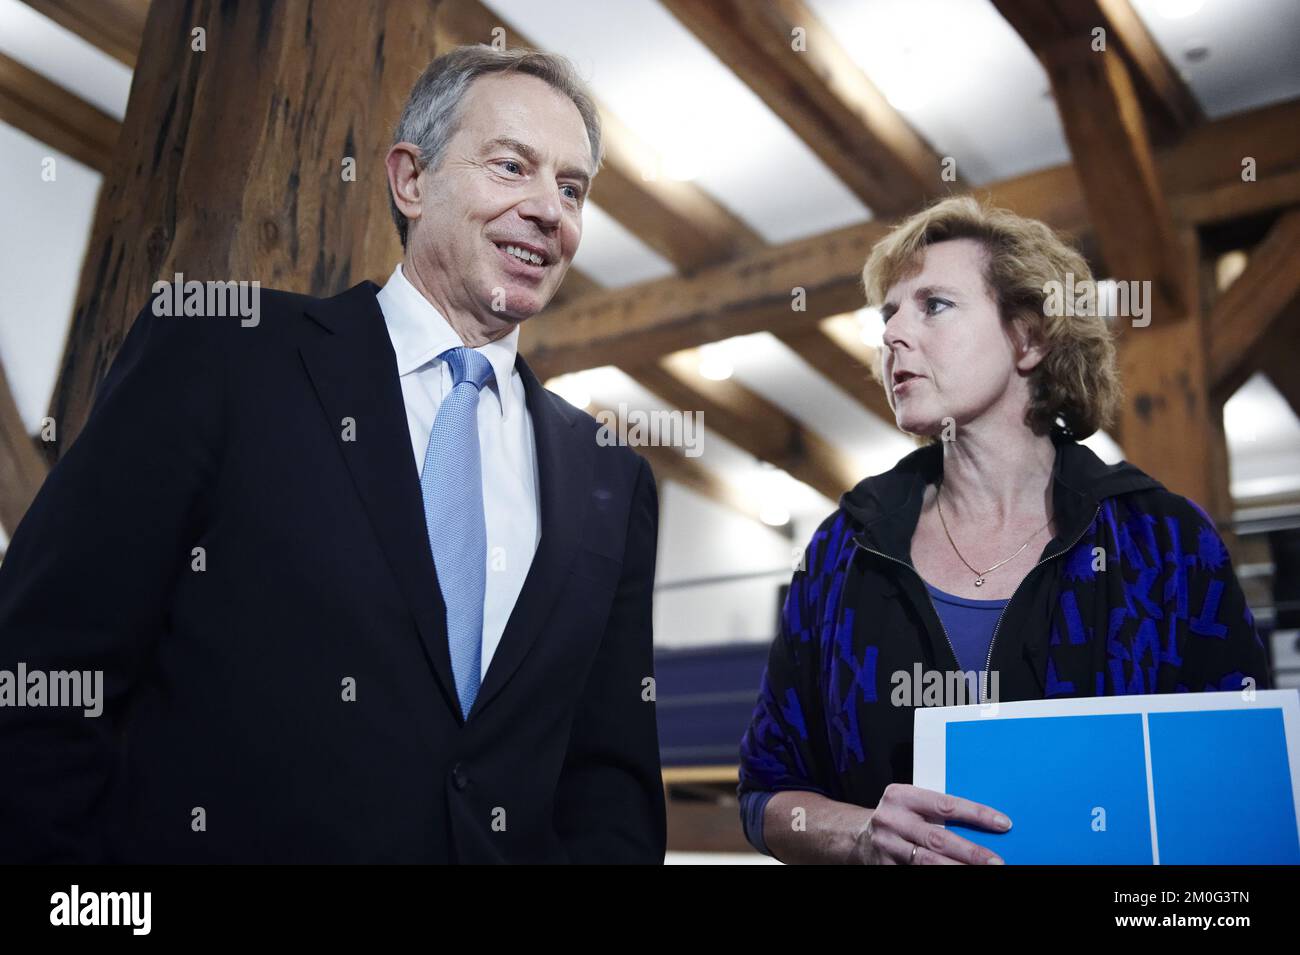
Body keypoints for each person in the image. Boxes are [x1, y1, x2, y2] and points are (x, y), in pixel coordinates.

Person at [0, 46, 665, 863]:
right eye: (510, 166)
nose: (547, 209)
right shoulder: (221, 358)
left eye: (571, 188)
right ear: (410, 181)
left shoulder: (612, 476)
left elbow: (610, 787)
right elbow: (41, 677)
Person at [737, 196, 1270, 864]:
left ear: (1029, 336)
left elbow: (1245, 794)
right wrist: (861, 833)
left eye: (933, 304)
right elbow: (765, 794)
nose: (893, 334)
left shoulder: (1165, 544)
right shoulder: (845, 548)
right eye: (888, 313)